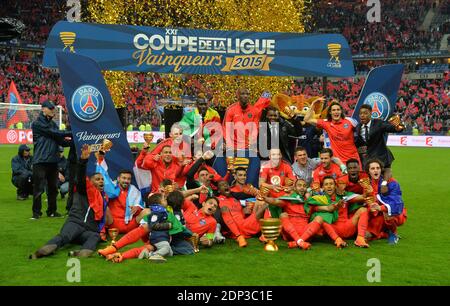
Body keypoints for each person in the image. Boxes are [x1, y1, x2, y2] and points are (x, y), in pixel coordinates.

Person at [29, 144, 108, 259]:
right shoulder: (84, 189)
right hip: (75, 222)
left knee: (95, 236)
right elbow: (80, 178)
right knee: (64, 237)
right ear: (90, 182)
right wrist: (82, 161)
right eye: (97, 179)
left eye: (102, 179)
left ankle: (82, 252)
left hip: (88, 229)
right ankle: (42, 251)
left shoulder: (103, 197)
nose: (101, 181)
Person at [215, 88, 271, 186]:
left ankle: (250, 187)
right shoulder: (231, 109)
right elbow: (226, 128)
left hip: (247, 147)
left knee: (254, 164)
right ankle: (225, 187)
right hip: (232, 146)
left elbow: (255, 129)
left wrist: (251, 143)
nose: (245, 96)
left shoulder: (254, 111)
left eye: (247, 94)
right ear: (238, 95)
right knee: (223, 164)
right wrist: (228, 145)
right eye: (243, 93)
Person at [31, 100, 72, 219]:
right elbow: (55, 133)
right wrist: (72, 132)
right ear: (43, 109)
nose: (53, 110)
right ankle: (36, 213)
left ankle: (52, 211)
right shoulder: (37, 124)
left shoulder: (53, 124)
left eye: (53, 108)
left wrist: (75, 141)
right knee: (38, 188)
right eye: (50, 108)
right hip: (40, 160)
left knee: (53, 188)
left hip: (53, 161)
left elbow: (61, 141)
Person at [305, 176, 370, 248]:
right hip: (333, 229)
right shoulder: (320, 199)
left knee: (363, 210)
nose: (329, 186)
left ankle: (360, 239)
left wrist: (367, 189)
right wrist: (331, 207)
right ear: (322, 187)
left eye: (331, 184)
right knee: (321, 219)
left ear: (335, 186)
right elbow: (311, 207)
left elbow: (363, 197)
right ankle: (337, 240)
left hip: (348, 226)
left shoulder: (344, 196)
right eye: (326, 184)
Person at [263, 178, 322, 250]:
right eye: (299, 185)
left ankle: (298, 242)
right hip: (290, 232)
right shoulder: (289, 199)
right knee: (283, 215)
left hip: (305, 232)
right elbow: (275, 201)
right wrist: (264, 198)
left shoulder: (310, 201)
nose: (302, 188)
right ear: (294, 188)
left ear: (306, 188)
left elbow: (325, 208)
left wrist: (335, 206)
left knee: (319, 218)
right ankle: (300, 241)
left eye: (304, 186)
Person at [304, 99, 361, 166]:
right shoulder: (326, 123)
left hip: (353, 158)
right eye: (333, 110)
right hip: (337, 161)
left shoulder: (350, 121)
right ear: (330, 112)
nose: (336, 112)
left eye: (338, 110)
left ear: (341, 111)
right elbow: (307, 119)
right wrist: (313, 104)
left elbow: (360, 132)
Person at [355, 104, 404, 178]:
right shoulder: (358, 127)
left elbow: (390, 127)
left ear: (371, 113)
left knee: (385, 181)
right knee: (370, 181)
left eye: (365, 113)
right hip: (368, 159)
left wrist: (398, 127)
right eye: (360, 113)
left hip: (382, 157)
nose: (362, 115)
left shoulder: (378, 123)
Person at [365, 158, 407, 244]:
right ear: (368, 171)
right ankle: (384, 233)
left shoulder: (392, 182)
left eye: (378, 168)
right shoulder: (365, 183)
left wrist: (381, 208)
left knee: (387, 214)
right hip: (375, 214)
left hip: (395, 213)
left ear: (381, 170)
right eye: (372, 169)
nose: (375, 170)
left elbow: (396, 202)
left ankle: (393, 232)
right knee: (366, 236)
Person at [217, 180, 268, 247]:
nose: (225, 185)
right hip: (234, 230)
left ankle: (265, 234)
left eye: (227, 184)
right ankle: (239, 237)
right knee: (224, 209)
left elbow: (240, 215)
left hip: (245, 224)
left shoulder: (235, 200)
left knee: (263, 203)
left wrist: (244, 211)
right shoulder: (216, 200)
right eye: (222, 185)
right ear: (219, 191)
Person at [259, 148, 296, 217]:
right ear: (269, 157)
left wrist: (290, 188)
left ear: (281, 155)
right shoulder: (265, 167)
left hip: (283, 195)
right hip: (270, 195)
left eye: (278, 154)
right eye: (273, 155)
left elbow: (294, 182)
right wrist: (272, 187)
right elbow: (261, 183)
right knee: (261, 195)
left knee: (293, 192)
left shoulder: (287, 166)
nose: (276, 157)